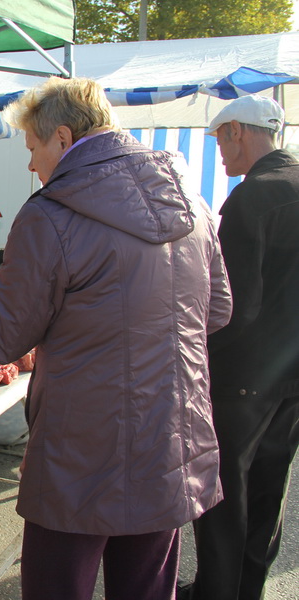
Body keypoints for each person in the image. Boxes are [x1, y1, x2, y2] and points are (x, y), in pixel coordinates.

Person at [0, 77, 232, 600]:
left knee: (58, 583)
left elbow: (1, 336)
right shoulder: (194, 204)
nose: (30, 165)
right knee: (147, 587)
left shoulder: (52, 214)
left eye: (32, 148)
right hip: (170, 436)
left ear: (63, 139)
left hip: (83, 445)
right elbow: (218, 310)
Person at [180, 95, 299, 600]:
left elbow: (233, 304)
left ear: (238, 132)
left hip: (245, 376)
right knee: (271, 482)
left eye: (220, 140)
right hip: (292, 375)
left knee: (223, 487)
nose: (220, 154)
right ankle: (249, 587)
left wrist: (196, 359)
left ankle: (216, 591)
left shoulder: (254, 198)